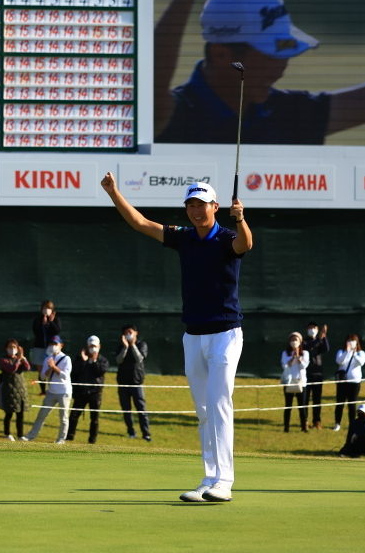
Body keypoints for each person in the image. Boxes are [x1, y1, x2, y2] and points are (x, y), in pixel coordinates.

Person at [102, 174, 252, 504]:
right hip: (193, 336)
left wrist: (241, 221)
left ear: (216, 206)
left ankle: (224, 480)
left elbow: (245, 245)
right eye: (190, 205)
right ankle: (210, 477)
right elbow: (140, 223)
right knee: (202, 410)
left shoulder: (226, 237)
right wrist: (114, 193)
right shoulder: (183, 238)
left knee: (218, 404)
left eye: (202, 204)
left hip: (225, 334)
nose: (196, 210)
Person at [154, 0, 365, 144]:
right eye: (271, 53)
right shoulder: (174, 115)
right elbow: (148, 87)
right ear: (222, 55)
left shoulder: (288, 112)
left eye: (286, 51)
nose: (281, 68)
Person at [23, 335, 72, 443]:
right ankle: (30, 436)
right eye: (51, 344)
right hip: (51, 391)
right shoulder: (47, 359)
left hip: (64, 392)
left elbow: (65, 375)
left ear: (61, 345)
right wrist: (50, 368)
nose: (53, 346)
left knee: (63, 417)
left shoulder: (66, 359)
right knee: (41, 415)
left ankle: (61, 439)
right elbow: (42, 377)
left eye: (55, 344)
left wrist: (54, 367)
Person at [68, 335, 109, 444]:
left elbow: (100, 371)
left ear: (99, 346)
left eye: (95, 346)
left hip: (95, 392)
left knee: (94, 419)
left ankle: (92, 440)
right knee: (74, 416)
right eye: (91, 346)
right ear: (87, 346)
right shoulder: (80, 358)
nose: (93, 348)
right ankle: (69, 437)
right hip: (81, 392)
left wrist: (94, 361)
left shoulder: (103, 360)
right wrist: (83, 361)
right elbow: (75, 371)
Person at [115, 325, 150, 442]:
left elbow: (139, 358)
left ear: (136, 333)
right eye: (125, 333)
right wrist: (125, 347)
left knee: (141, 410)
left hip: (137, 384)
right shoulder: (121, 346)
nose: (128, 334)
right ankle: (131, 432)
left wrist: (133, 345)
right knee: (126, 410)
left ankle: (146, 434)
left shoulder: (142, 345)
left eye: (130, 332)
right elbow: (118, 360)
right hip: (123, 384)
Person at [0, 339, 31, 441]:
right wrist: (18, 360)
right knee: (9, 412)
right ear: (6, 349)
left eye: (14, 347)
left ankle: (20, 435)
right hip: (9, 389)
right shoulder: (4, 360)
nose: (12, 349)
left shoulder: (20, 359)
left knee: (20, 413)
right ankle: (7, 433)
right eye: (10, 347)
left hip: (20, 389)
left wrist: (23, 358)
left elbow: (27, 368)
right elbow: (11, 369)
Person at [334, 334, 365, 431]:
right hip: (342, 382)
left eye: (353, 340)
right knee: (340, 403)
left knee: (352, 404)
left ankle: (352, 424)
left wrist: (354, 353)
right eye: (349, 340)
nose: (351, 342)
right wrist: (347, 352)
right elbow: (339, 362)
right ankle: (337, 423)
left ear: (357, 342)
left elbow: (361, 363)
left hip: (354, 382)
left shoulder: (361, 353)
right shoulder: (341, 351)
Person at [281, 332, 310, 433]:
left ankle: (303, 427)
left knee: (302, 406)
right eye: (292, 340)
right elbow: (285, 366)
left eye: (296, 340)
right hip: (289, 381)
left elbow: (304, 366)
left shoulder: (305, 353)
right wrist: (293, 357)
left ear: (300, 341)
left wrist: (298, 357)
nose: (294, 342)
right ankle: (286, 427)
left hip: (301, 382)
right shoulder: (285, 353)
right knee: (288, 406)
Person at [303, 321, 330, 428]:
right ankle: (304, 420)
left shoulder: (320, 341)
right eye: (310, 328)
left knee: (317, 399)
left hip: (318, 374)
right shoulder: (304, 341)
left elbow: (327, 349)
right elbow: (307, 347)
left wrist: (324, 337)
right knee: (305, 399)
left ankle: (317, 421)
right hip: (306, 374)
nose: (312, 330)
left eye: (314, 328)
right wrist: (319, 338)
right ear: (306, 329)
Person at [31, 301, 62, 366]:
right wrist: (43, 324)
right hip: (39, 347)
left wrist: (50, 322)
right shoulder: (37, 320)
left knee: (51, 366)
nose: (46, 310)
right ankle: (41, 376)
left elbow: (57, 331)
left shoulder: (56, 319)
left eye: (48, 308)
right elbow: (36, 333)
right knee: (40, 367)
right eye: (44, 308)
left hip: (52, 347)